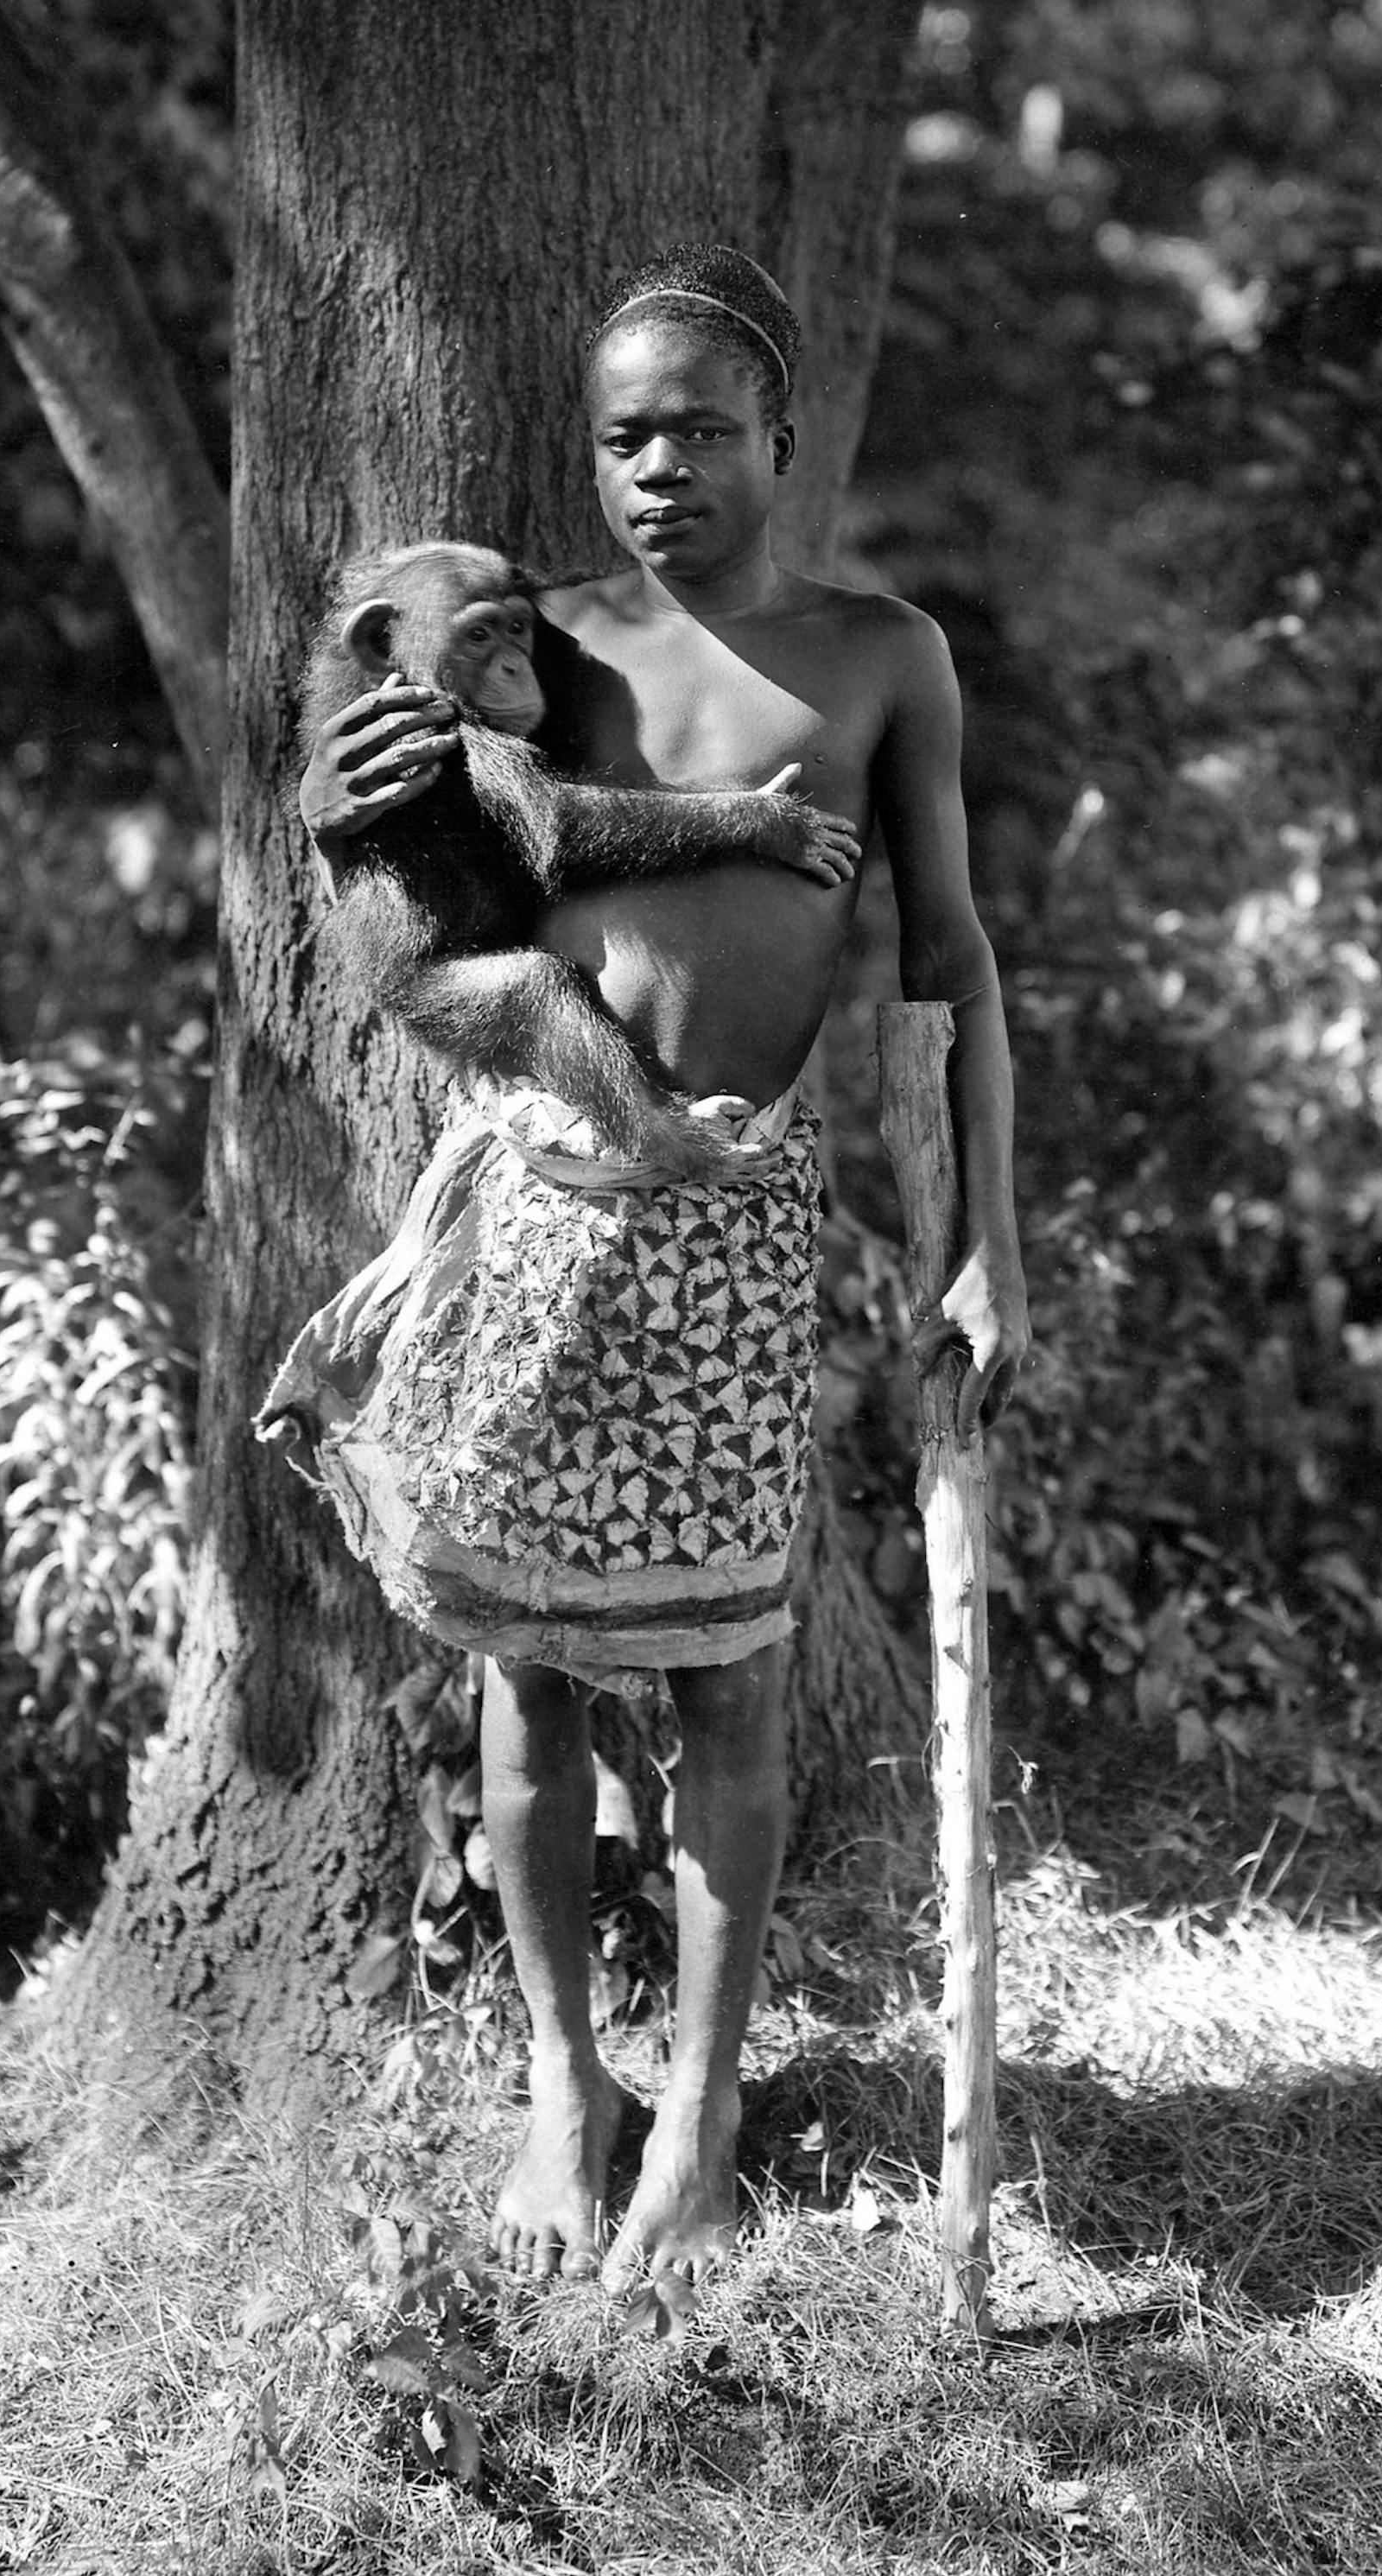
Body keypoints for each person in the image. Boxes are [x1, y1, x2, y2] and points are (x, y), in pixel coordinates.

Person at [288, 244, 1030, 2295]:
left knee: (729, 1671)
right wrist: (350, 790)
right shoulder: (542, 643)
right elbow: (395, 846)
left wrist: (988, 1250)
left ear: (782, 435)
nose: (660, 467)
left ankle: (696, 2115)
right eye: (623, 434)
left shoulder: (881, 656)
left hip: (733, 1217)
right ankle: (560, 2077)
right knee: (522, 1665)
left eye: (703, 426)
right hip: (544, 1203)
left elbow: (953, 964)